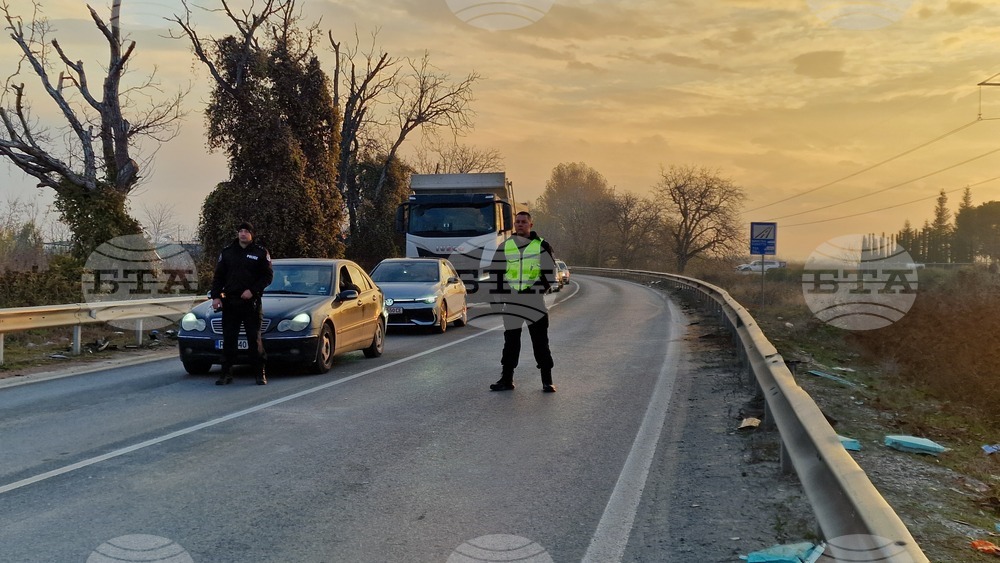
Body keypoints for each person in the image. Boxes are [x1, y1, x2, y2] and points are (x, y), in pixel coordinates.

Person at [489, 211, 557, 393]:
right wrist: (496, 299)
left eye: (524, 222)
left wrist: (536, 291)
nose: (520, 225)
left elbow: (550, 274)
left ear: (530, 225)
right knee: (510, 342)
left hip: (534, 301)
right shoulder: (505, 246)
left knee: (540, 342)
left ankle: (547, 380)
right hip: (512, 301)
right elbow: (496, 274)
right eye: (517, 222)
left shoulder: (542, 245)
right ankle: (507, 379)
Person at [210, 221, 273, 385]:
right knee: (229, 339)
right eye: (241, 231)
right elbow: (218, 277)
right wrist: (216, 297)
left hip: (251, 303)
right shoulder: (228, 252)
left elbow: (267, 277)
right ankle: (226, 373)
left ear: (252, 234)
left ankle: (260, 373)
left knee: (254, 339)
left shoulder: (260, 253)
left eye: (246, 231)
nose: (243, 234)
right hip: (230, 302)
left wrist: (252, 290)